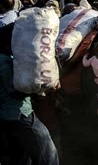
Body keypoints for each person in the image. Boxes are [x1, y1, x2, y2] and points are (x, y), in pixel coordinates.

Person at [0, 24, 60, 165]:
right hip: (19, 114)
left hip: (8, 116)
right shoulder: (3, 61)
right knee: (47, 154)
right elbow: (14, 90)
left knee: (21, 155)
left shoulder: (6, 57)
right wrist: (38, 89)